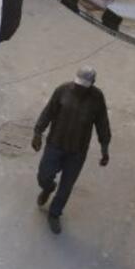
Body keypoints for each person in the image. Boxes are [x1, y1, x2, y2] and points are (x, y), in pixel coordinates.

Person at [32, 66, 111, 234]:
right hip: (55, 144)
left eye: (84, 85)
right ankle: (47, 188)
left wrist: (105, 148)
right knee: (43, 175)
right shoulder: (62, 91)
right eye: (78, 84)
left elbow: (102, 124)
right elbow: (48, 112)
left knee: (66, 186)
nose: (79, 88)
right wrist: (38, 132)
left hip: (77, 151)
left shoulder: (97, 98)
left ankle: (54, 214)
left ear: (92, 84)